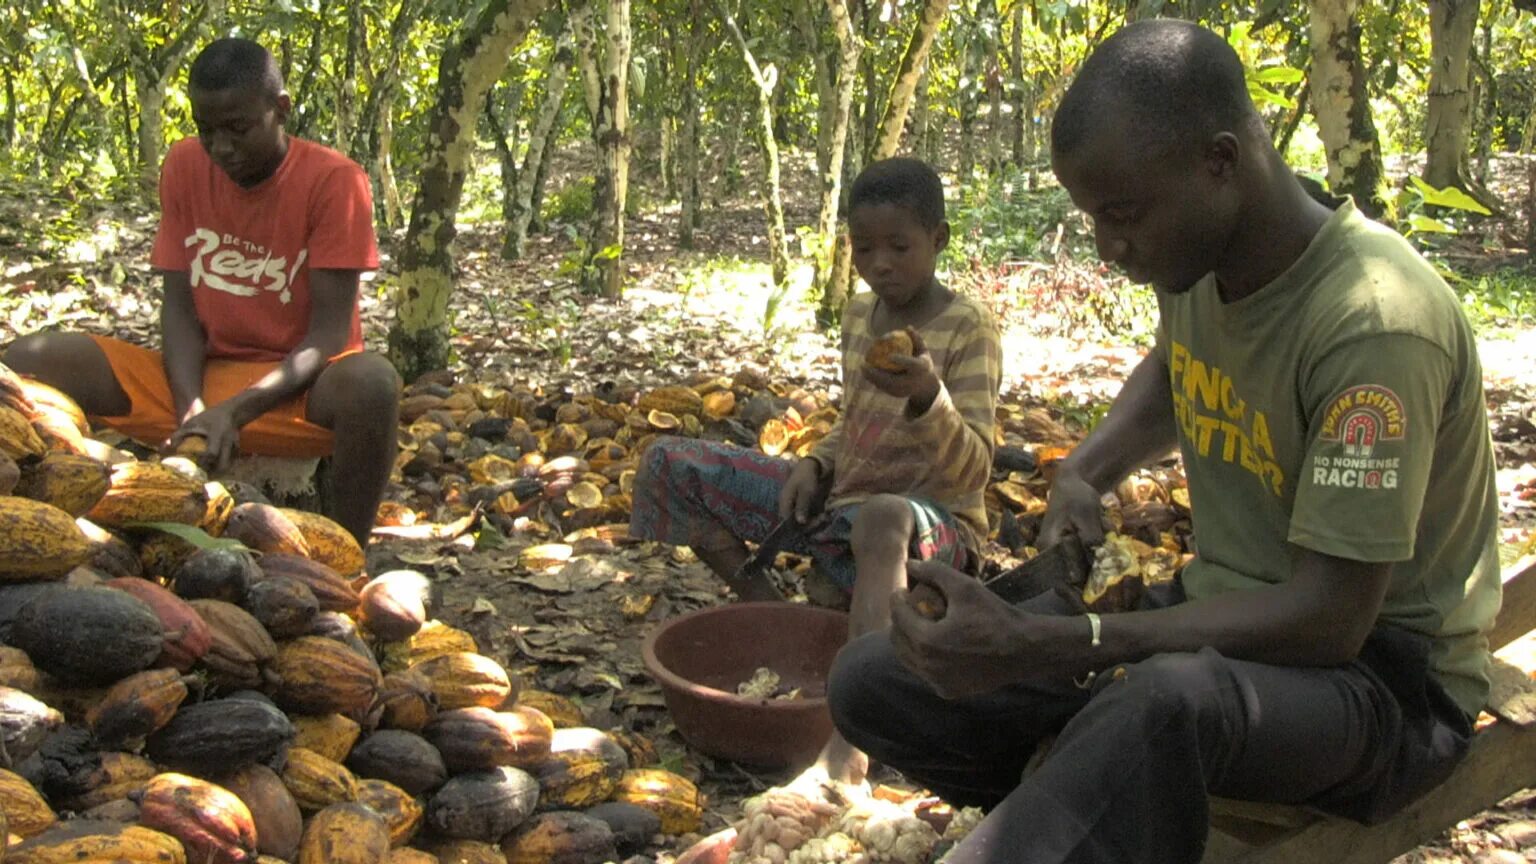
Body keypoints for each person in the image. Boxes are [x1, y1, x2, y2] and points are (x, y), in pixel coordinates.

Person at [826, 19, 1502, 864]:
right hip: (1215, 626)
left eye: (1123, 216)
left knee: (1162, 702)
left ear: (1221, 161)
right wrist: (1086, 472)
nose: (1111, 249)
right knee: (876, 681)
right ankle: (1079, 816)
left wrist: (1068, 643)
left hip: (1380, 682)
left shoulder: (1373, 325)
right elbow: (1175, 369)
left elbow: (1331, 619)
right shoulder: (1204, 262)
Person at [629, 156, 1003, 784]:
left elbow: (975, 470)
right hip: (841, 508)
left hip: (932, 532)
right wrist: (816, 460)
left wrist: (927, 396)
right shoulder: (861, 316)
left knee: (883, 517)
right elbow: (855, 421)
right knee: (671, 462)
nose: (880, 263)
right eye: (864, 249)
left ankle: (853, 731)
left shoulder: (969, 328)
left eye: (899, 246)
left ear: (938, 240)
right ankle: (782, 625)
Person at [3, 38, 399, 546]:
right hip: (201, 378)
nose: (221, 148)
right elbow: (180, 307)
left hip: (296, 390)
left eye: (237, 129)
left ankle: (348, 552)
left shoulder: (336, 182)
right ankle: (39, 525)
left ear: (280, 111)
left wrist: (234, 413)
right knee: (33, 358)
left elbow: (327, 337)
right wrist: (191, 410)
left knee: (375, 384)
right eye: (206, 130)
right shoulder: (186, 165)